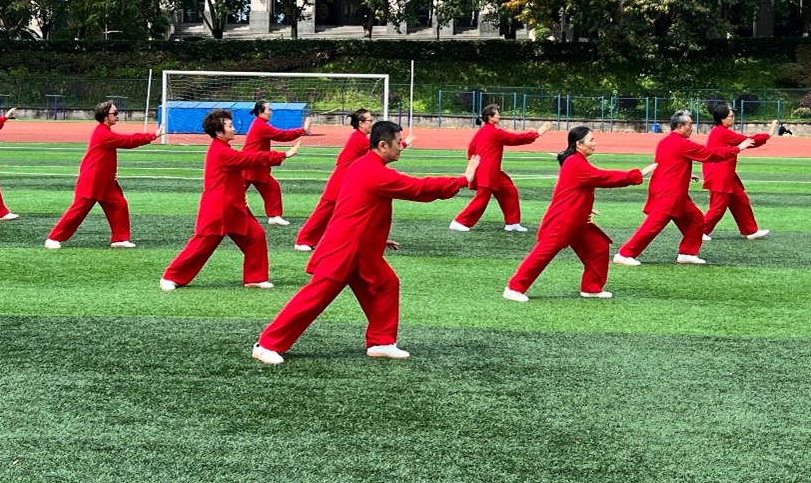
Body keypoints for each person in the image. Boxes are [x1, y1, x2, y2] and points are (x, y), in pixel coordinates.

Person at [252, 120, 478, 365]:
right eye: (398, 143)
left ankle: (381, 342)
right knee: (315, 296)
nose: (401, 147)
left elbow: (359, 209)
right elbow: (419, 189)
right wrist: (463, 179)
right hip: (345, 248)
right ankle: (266, 344)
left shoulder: (364, 165)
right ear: (383, 145)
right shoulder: (374, 171)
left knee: (386, 284)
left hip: (359, 247)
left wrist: (378, 238)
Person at [503, 127, 656, 302]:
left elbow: (573, 190)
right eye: (591, 140)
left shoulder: (576, 161)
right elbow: (602, 177)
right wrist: (636, 175)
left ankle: (591, 287)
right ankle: (514, 287)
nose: (595, 143)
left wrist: (585, 207)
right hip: (564, 220)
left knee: (598, 246)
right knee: (543, 253)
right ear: (579, 144)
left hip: (577, 218)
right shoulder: (575, 162)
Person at [160, 109, 301, 291]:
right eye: (230, 126)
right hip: (218, 209)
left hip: (234, 208)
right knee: (202, 245)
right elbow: (249, 158)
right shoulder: (221, 151)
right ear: (219, 132)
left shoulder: (224, 148)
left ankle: (255, 278)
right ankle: (171, 276)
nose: (234, 128)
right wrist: (283, 155)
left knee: (256, 236)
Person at [613, 109, 754, 267]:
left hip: (671, 190)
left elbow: (668, 164)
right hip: (670, 193)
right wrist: (737, 148)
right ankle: (624, 254)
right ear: (680, 127)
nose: (692, 128)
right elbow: (709, 154)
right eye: (689, 125)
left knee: (697, 219)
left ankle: (687, 253)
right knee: (652, 226)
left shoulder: (665, 142)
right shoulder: (682, 143)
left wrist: (686, 175)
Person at [45, 101, 163, 249]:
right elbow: (127, 141)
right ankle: (53, 238)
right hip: (93, 180)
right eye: (115, 113)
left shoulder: (104, 131)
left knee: (119, 205)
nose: (117, 116)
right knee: (78, 210)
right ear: (105, 116)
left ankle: (119, 239)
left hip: (105, 181)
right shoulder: (103, 133)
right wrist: (152, 136)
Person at [294, 109, 413, 251]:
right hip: (340, 180)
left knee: (336, 214)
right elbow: (381, 151)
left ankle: (324, 241)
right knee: (323, 212)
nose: (372, 123)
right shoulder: (359, 139)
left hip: (347, 180)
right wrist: (404, 144)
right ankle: (302, 241)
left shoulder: (359, 137)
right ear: (361, 123)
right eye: (370, 120)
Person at [450, 105, 550, 233]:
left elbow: (471, 147)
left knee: (510, 191)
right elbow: (515, 139)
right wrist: (537, 133)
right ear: (490, 118)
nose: (499, 115)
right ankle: (459, 222)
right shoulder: (494, 132)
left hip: (492, 171)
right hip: (488, 171)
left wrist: (473, 162)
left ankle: (512, 223)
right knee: (482, 198)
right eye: (497, 114)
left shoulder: (483, 130)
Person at [702, 105, 774, 241]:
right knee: (718, 206)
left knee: (741, 200)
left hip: (726, 173)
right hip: (719, 174)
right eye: (731, 116)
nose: (733, 118)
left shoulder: (720, 131)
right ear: (723, 119)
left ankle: (751, 231)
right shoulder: (722, 132)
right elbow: (747, 141)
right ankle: (699, 231)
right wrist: (768, 134)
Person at [241, 100, 310, 226]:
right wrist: (302, 130)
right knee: (235, 190)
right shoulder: (260, 126)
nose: (271, 112)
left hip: (257, 164)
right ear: (261, 112)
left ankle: (274, 215)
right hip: (250, 164)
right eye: (269, 110)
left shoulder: (260, 124)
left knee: (271, 187)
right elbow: (281, 135)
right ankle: (219, 212)